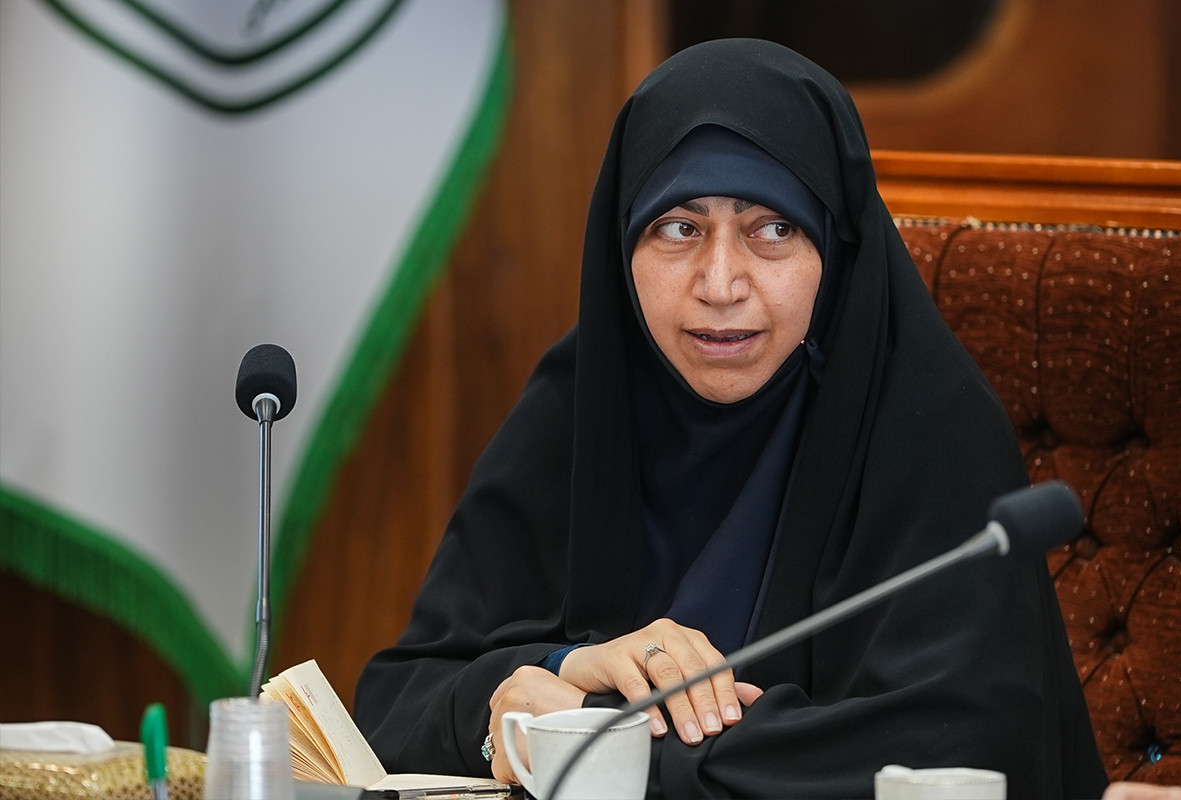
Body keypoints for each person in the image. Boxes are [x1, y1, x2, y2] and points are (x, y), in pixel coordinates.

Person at [354, 38, 1108, 798]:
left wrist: (602, 740)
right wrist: (557, 670)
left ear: (836, 249)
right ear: (622, 245)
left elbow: (963, 749)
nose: (720, 285)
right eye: (679, 228)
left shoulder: (931, 426)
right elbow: (393, 704)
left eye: (772, 229)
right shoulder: (582, 397)